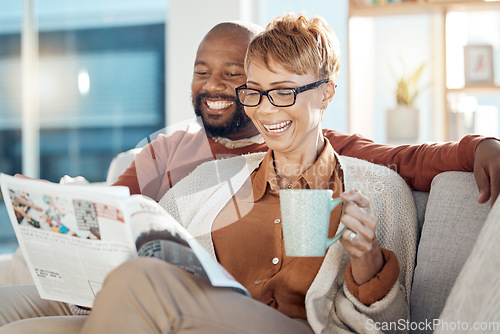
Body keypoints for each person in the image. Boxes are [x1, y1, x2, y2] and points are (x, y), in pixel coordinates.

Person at [0, 12, 419, 333]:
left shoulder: (376, 188)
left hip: (294, 326)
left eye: (284, 92)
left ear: (326, 91)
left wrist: (367, 261)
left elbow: (398, 324)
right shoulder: (206, 184)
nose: (266, 109)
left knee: (143, 281)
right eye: (255, 92)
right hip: (191, 315)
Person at [113, 21, 500, 206]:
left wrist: (478, 146)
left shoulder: (312, 148)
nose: (212, 86)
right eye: (201, 72)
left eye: (232, 75)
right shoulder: (166, 151)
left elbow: (403, 161)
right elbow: (103, 215)